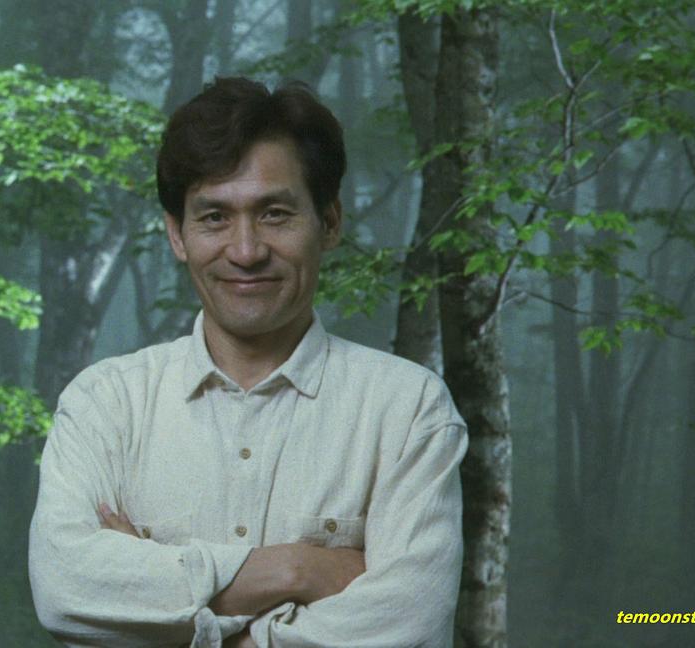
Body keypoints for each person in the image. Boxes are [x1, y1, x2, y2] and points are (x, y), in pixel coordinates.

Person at [28, 77, 468, 648]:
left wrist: (158, 602)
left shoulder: (408, 410)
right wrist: (298, 569)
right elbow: (64, 590)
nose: (245, 251)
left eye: (275, 214)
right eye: (214, 217)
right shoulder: (104, 405)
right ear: (177, 235)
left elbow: (410, 625)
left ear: (329, 223)